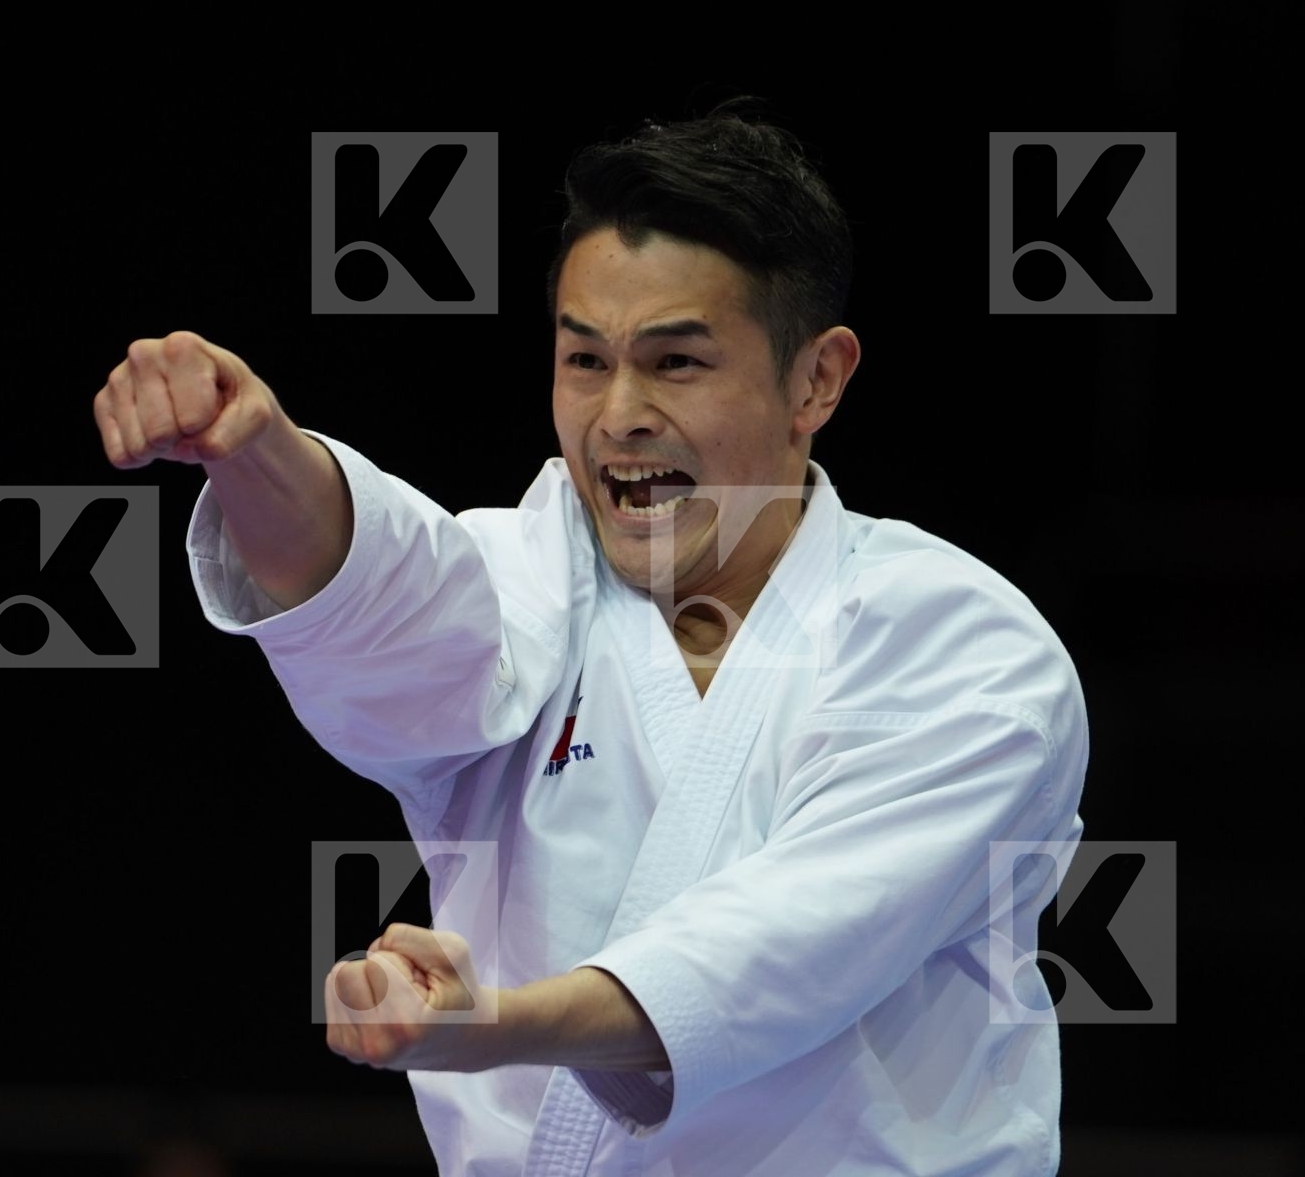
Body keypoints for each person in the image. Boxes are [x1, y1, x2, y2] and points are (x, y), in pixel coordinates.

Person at [93, 98, 1088, 1177]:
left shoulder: (962, 645)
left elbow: (795, 945)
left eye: (677, 363)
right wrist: (251, 451)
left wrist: (505, 1023)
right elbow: (377, 597)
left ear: (818, 379)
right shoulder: (525, 580)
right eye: (583, 361)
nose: (617, 415)